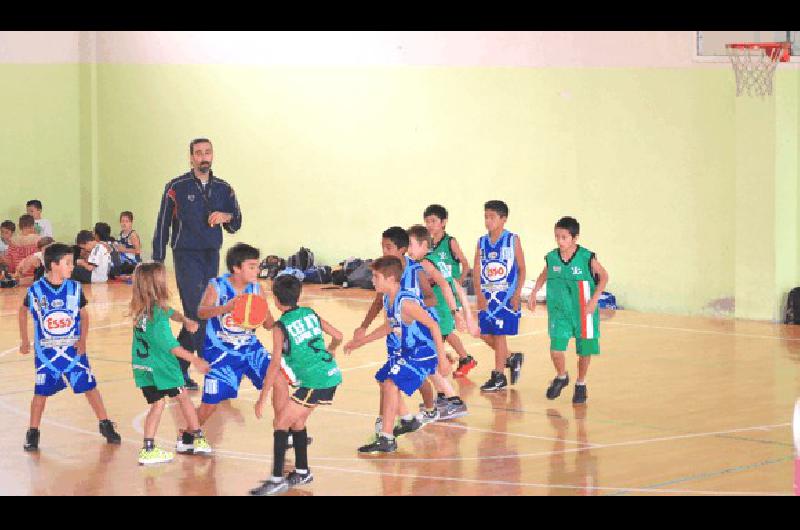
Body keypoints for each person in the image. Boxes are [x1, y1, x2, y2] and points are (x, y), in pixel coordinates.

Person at [152, 138, 242, 391]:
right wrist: (157, 261)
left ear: (213, 155)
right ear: (190, 157)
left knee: (197, 313)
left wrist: (226, 216)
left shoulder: (224, 188)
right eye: (198, 153)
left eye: (208, 152)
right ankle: (215, 370)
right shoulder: (176, 187)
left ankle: (176, 369)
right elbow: (163, 224)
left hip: (211, 255)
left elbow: (236, 223)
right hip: (185, 255)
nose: (203, 157)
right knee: (199, 311)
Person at [18, 243, 121, 451]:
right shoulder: (36, 290)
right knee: (40, 394)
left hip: (73, 351)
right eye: (67, 263)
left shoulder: (74, 288)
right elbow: (22, 312)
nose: (72, 266)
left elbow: (84, 315)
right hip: (47, 353)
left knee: (90, 388)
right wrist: (24, 340)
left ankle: (105, 423)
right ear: (54, 265)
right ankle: (33, 431)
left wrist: (83, 340)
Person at [192, 243, 294, 452]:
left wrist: (276, 317)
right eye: (252, 266)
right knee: (210, 404)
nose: (257, 271)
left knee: (280, 381)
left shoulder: (256, 289)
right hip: (222, 351)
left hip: (250, 348)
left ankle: (282, 431)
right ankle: (187, 434)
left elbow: (268, 324)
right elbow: (201, 312)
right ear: (236, 268)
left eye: (257, 266)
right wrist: (226, 308)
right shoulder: (218, 285)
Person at [249, 275, 343, 496]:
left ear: (276, 299)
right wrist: (331, 350)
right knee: (297, 421)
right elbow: (338, 335)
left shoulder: (280, 327)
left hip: (316, 381)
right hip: (329, 374)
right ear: (298, 294)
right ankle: (302, 471)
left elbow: (274, 365)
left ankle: (276, 480)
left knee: (281, 421)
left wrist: (261, 399)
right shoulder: (310, 313)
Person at [345, 256, 448, 454]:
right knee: (384, 380)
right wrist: (360, 342)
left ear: (391, 279)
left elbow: (434, 325)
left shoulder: (406, 302)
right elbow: (390, 326)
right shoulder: (389, 298)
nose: (372, 280)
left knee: (392, 383)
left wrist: (442, 359)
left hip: (422, 351)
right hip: (409, 350)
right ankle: (408, 421)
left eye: (376, 276)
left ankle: (387, 437)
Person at [129, 262, 213, 464]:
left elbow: (170, 311)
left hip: (143, 367)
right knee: (184, 398)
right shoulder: (156, 316)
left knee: (157, 405)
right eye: (163, 278)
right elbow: (172, 347)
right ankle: (198, 438)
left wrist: (185, 320)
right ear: (156, 285)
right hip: (162, 367)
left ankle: (148, 448)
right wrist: (195, 360)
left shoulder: (143, 309)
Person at [527, 216, 608, 404]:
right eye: (557, 236)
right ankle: (562, 376)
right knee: (556, 350)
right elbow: (545, 273)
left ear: (574, 238)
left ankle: (581, 383)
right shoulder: (552, 257)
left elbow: (604, 276)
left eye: (564, 237)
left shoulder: (586, 257)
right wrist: (534, 292)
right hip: (559, 311)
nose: (560, 241)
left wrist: (594, 301)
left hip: (583, 310)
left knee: (584, 351)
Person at [473, 200, 526, 392]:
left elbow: (521, 268)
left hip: (505, 296)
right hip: (487, 296)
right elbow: (477, 269)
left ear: (503, 219)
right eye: (486, 217)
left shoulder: (512, 239)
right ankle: (511, 357)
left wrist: (517, 294)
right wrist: (479, 294)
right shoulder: (481, 242)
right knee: (483, 333)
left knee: (499, 334)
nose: (488, 221)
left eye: (492, 217)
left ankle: (499, 375)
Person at [423, 204, 478, 378]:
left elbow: (465, 264)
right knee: (440, 327)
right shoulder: (428, 245)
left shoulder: (450, 242)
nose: (430, 224)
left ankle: (460, 358)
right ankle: (457, 357)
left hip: (447, 292)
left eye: (434, 221)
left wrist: (458, 285)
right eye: (427, 221)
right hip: (434, 293)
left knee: (443, 329)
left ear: (444, 222)